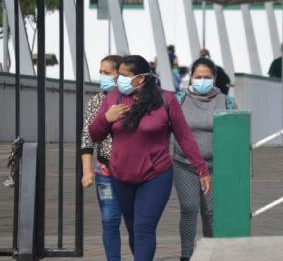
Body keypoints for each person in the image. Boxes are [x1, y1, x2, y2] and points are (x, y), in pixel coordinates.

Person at [89, 55, 211, 261]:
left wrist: (201, 169)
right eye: (118, 75)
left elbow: (184, 137)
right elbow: (94, 135)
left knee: (144, 227)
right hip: (120, 175)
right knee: (133, 230)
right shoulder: (113, 99)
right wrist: (105, 118)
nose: (119, 80)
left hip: (156, 175)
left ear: (141, 78)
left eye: (125, 76)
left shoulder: (166, 100)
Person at [173, 57, 238, 261]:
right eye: (198, 77)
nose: (202, 80)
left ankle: (211, 253)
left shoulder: (226, 102)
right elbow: (163, 128)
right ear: (191, 77)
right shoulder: (179, 100)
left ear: (215, 79)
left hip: (214, 166)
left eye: (207, 77)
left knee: (210, 212)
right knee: (189, 209)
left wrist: (248, 161)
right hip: (184, 165)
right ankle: (187, 255)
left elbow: (239, 133)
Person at [81, 55, 122, 261]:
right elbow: (87, 138)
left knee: (136, 223)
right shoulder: (96, 101)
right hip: (105, 173)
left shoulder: (130, 101)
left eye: (107, 73)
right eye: (100, 72)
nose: (102, 77)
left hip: (133, 173)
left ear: (120, 75)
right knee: (109, 220)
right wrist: (87, 170)